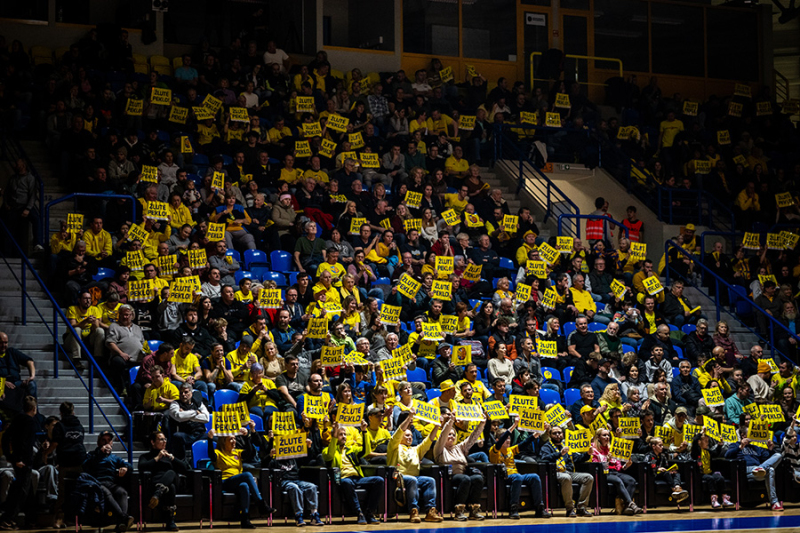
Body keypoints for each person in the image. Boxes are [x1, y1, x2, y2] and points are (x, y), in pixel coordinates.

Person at [206, 426, 274, 528]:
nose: (234, 441)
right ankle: (261, 504)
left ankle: (245, 519)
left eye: (234, 438)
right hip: (224, 482)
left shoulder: (237, 452)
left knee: (244, 486)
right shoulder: (218, 453)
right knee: (247, 475)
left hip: (237, 482)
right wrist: (210, 439)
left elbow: (250, 453)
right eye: (231, 439)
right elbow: (211, 454)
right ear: (223, 441)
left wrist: (246, 437)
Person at [489, 418, 551, 519]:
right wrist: (514, 425)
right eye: (506, 439)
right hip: (503, 477)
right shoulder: (494, 450)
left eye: (509, 438)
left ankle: (539, 508)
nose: (508, 440)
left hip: (516, 475)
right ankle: (513, 508)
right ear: (497, 440)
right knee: (517, 477)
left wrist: (539, 431)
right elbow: (501, 441)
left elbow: (526, 442)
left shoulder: (511, 450)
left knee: (534, 477)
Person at [323, 421, 384, 524]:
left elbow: (365, 451)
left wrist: (364, 431)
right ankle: (359, 513)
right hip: (343, 478)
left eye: (345, 434)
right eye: (340, 434)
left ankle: (369, 512)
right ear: (335, 436)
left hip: (357, 477)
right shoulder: (327, 450)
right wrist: (333, 437)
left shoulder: (351, 449)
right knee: (346, 482)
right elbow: (329, 456)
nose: (344, 437)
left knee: (379, 480)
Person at [388, 410, 443, 523]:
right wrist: (409, 417)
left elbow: (428, 441)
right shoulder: (394, 446)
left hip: (414, 478)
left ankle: (430, 511)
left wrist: (437, 426)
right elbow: (399, 431)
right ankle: (413, 510)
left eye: (411, 436)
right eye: (407, 435)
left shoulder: (415, 449)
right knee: (412, 480)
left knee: (430, 480)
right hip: (398, 478)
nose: (410, 438)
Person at [434, 413, 488, 521]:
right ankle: (459, 511)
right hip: (448, 477)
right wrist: (451, 421)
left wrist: (482, 423)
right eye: (449, 434)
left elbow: (472, 438)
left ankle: (474, 510)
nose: (451, 436)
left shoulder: (459, 448)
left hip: (463, 475)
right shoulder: (439, 448)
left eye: (453, 435)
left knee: (477, 478)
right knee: (465, 479)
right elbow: (443, 434)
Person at [138, 432, 191, 531]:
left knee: (171, 472)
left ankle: (158, 492)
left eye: (165, 439)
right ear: (153, 442)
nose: (164, 442)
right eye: (161, 439)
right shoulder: (146, 456)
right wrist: (157, 458)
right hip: (155, 483)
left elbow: (185, 468)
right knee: (171, 487)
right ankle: (170, 522)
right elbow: (141, 466)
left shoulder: (169, 457)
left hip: (166, 484)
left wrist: (172, 458)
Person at [82, 431, 135, 531]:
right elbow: (85, 466)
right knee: (105, 491)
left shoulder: (114, 458)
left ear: (112, 443)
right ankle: (123, 518)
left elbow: (130, 466)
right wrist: (99, 453)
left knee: (122, 492)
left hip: (110, 483)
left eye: (108, 440)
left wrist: (126, 468)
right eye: (103, 440)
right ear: (98, 443)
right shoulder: (92, 455)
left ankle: (121, 525)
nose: (106, 443)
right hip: (95, 483)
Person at [0, 396, 38, 530]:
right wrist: (18, 459)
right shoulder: (30, 422)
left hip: (18, 460)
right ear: (34, 408)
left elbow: (5, 437)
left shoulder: (16, 419)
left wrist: (9, 456)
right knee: (19, 492)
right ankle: (7, 518)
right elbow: (25, 444)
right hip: (24, 461)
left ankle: (31, 519)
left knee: (28, 491)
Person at [539, 425, 594, 517]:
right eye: (554, 433)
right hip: (555, 473)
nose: (557, 435)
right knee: (566, 477)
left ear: (563, 434)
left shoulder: (567, 446)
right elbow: (544, 458)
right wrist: (559, 454)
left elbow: (577, 458)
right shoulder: (546, 447)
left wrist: (587, 454)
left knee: (588, 477)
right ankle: (570, 509)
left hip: (569, 472)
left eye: (559, 433)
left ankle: (581, 507)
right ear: (549, 435)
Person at [590, 427, 642, 515]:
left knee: (631, 481)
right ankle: (631, 504)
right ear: (598, 437)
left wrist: (626, 466)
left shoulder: (612, 448)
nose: (607, 437)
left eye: (608, 435)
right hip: (604, 474)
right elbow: (595, 465)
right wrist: (606, 461)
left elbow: (618, 467)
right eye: (604, 435)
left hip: (615, 472)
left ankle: (626, 507)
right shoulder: (593, 449)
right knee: (618, 480)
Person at [690, 428, 733, 509]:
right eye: (705, 441)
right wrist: (701, 432)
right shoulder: (697, 451)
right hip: (701, 474)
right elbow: (694, 441)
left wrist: (720, 444)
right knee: (710, 478)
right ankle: (713, 499)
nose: (707, 443)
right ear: (700, 442)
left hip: (709, 472)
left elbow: (716, 453)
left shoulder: (708, 451)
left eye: (708, 441)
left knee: (720, 478)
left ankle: (724, 498)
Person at [168, 382, 210, 460]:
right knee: (177, 436)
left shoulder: (198, 404)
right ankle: (182, 463)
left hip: (200, 434)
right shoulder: (175, 404)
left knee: (217, 438)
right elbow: (179, 416)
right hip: (186, 434)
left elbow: (206, 418)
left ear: (191, 393)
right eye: (181, 393)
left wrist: (185, 414)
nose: (183, 394)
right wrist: (195, 412)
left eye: (186, 392)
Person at [65, 291, 106, 369]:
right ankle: (76, 360)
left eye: (89, 299)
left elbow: (96, 328)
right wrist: (86, 321)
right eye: (85, 298)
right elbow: (72, 326)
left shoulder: (94, 309)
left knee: (100, 331)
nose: (88, 301)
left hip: (88, 340)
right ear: (79, 300)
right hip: (71, 340)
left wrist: (94, 323)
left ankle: (98, 359)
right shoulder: (72, 309)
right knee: (77, 329)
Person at [645, 437, 688, 504]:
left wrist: (671, 471)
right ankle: (674, 490)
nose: (662, 447)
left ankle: (677, 487)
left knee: (676, 473)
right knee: (666, 473)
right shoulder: (649, 455)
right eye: (660, 445)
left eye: (662, 445)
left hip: (663, 473)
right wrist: (657, 469)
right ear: (654, 446)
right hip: (654, 475)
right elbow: (648, 467)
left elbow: (666, 466)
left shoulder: (663, 456)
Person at [0, 332, 37, 401]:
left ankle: (33, 410)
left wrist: (32, 376)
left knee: (31, 384)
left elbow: (29, 361)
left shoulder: (12, 352)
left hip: (16, 382)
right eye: (1, 343)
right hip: (2, 384)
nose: (4, 345)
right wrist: (3, 382)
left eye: (6, 343)